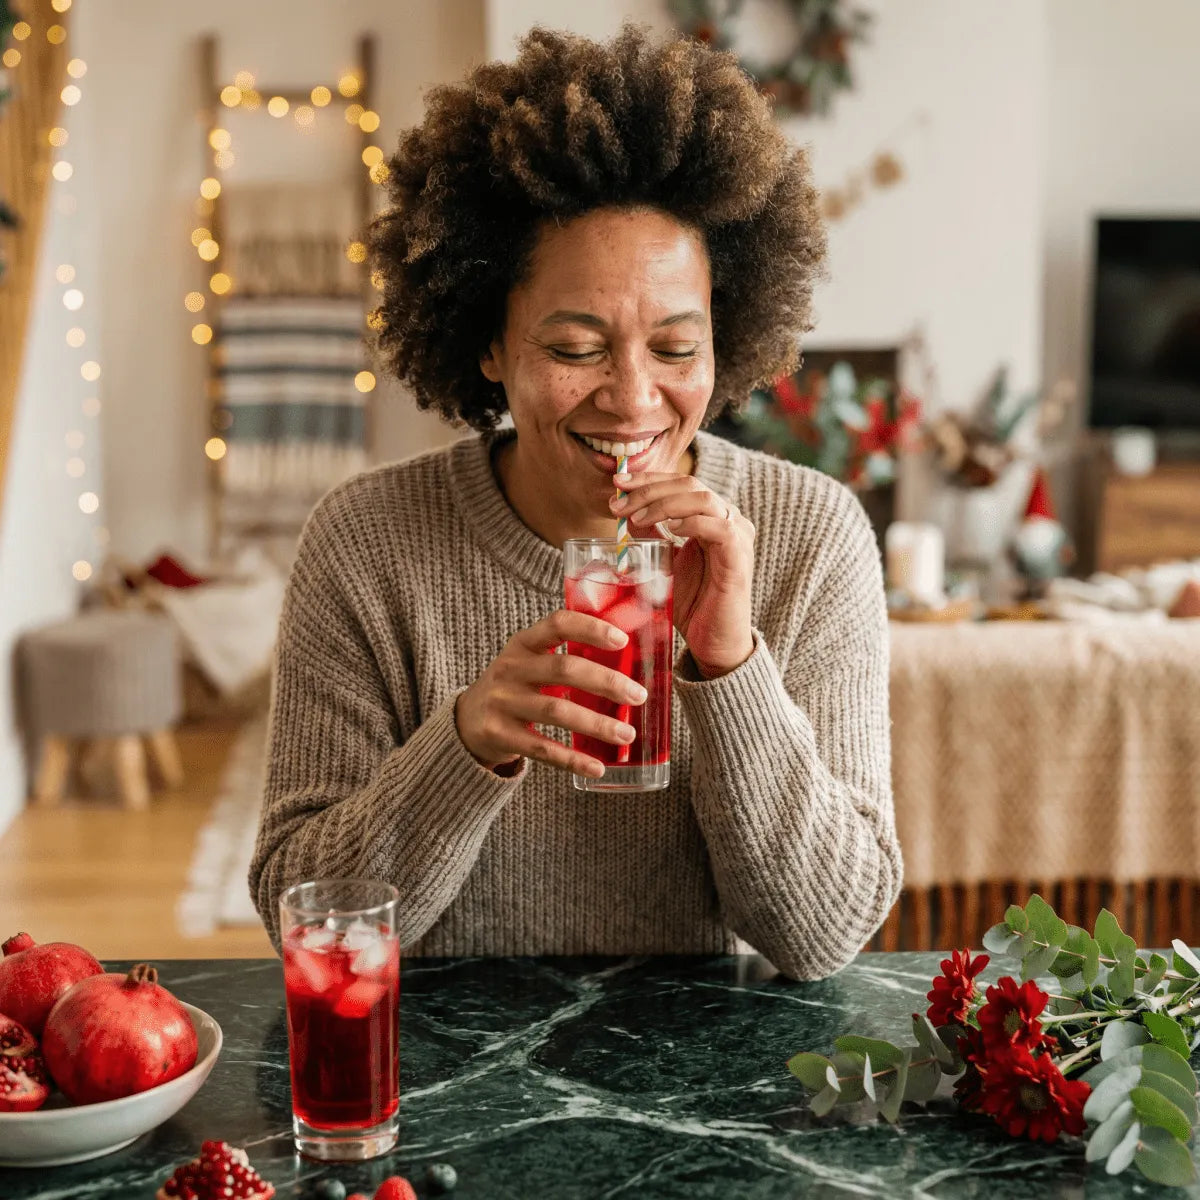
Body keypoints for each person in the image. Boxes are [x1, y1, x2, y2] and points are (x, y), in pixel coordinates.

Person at [249, 24, 902, 980]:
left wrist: (727, 663)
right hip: (437, 1091)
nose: (635, 400)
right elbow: (304, 924)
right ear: (487, 342)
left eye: (676, 350)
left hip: (703, 1099)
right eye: (575, 348)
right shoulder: (366, 542)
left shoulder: (810, 534)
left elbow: (825, 934)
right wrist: (464, 744)